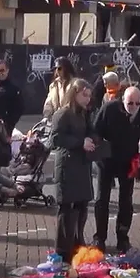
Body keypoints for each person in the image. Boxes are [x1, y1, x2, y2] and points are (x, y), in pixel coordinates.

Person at [92, 87, 140, 253]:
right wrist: (100, 151)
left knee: (126, 201)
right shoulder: (110, 109)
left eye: (137, 103)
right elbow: (96, 130)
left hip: (128, 161)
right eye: (130, 103)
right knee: (101, 199)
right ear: (123, 101)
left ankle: (123, 237)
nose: (133, 106)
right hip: (107, 160)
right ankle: (99, 237)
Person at [50, 79, 97, 260]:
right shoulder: (62, 114)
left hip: (82, 165)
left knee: (82, 205)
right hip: (67, 167)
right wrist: (80, 142)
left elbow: (91, 130)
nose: (87, 99)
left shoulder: (84, 113)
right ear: (74, 93)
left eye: (89, 96)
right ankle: (63, 250)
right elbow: (55, 139)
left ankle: (78, 243)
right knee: (67, 209)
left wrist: (93, 138)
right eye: (84, 95)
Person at [0, 59, 22, 134]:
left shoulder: (14, 90)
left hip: (3, 130)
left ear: (7, 71)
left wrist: (8, 127)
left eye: (2, 70)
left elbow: (18, 110)